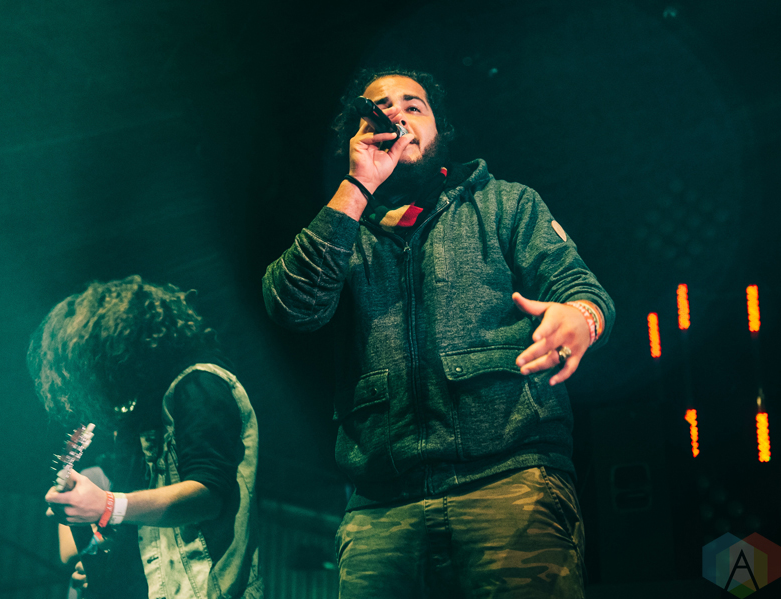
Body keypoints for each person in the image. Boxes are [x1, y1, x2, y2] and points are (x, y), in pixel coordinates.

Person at [262, 67, 615, 598]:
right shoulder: (344, 230)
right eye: (381, 108)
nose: (397, 115)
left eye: (413, 106)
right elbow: (292, 306)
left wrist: (580, 318)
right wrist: (358, 186)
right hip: (381, 508)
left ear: (439, 128)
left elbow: (580, 287)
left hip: (509, 483)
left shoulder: (505, 204)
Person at [29, 276, 262, 599]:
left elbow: (208, 496)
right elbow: (134, 525)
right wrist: (97, 556)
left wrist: (107, 504)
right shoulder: (138, 418)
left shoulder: (200, 384)